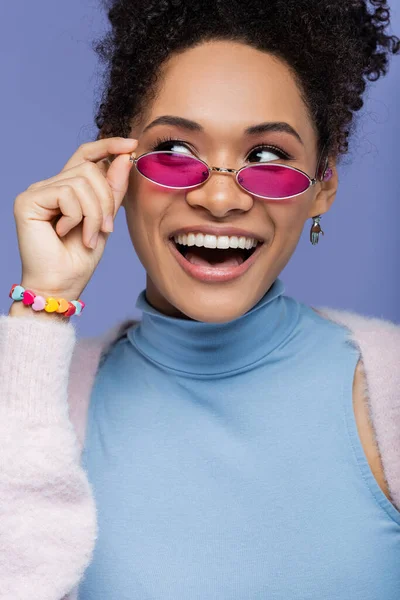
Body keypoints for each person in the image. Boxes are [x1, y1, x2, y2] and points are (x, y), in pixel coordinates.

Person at [1, 0, 400, 598]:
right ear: (118, 169)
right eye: (176, 154)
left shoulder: (389, 384)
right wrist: (42, 304)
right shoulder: (43, 402)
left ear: (324, 186)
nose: (219, 201)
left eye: (267, 157)